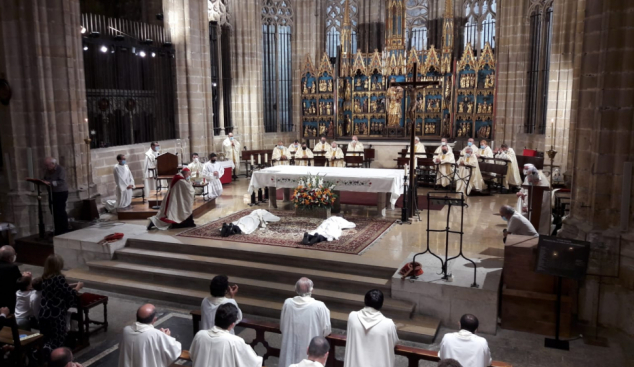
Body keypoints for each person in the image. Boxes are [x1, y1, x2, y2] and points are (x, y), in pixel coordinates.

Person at [39, 254, 83, 361]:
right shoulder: (59, 278)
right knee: (57, 339)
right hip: (56, 314)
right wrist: (78, 287)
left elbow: (57, 289)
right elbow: (70, 294)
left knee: (47, 338)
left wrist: (71, 285)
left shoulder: (44, 278)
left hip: (44, 313)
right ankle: (55, 360)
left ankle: (44, 356)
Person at [190, 303, 262, 367]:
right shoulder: (236, 342)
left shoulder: (199, 335)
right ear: (232, 325)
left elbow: (192, 355)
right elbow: (253, 363)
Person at [279, 278, 331, 367]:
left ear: (295, 289)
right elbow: (326, 330)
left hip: (290, 350)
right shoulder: (319, 306)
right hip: (312, 352)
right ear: (312, 290)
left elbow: (282, 327)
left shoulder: (288, 303)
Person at [343, 289, 399, 367]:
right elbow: (394, 342)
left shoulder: (353, 317)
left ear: (365, 301)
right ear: (381, 304)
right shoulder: (388, 324)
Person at [517, 165, 552, 235]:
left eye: (533, 182)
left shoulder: (544, 185)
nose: (531, 183)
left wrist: (527, 207)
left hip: (540, 210)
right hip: (529, 203)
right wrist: (521, 193)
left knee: (524, 215)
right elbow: (525, 188)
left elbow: (542, 202)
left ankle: (531, 232)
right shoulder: (529, 176)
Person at [43, 157, 69, 235]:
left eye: (48, 165)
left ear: (53, 164)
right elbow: (45, 178)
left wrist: (50, 183)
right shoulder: (48, 171)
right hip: (53, 192)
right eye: (46, 165)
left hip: (61, 192)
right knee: (55, 211)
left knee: (61, 211)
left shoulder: (60, 169)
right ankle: (57, 229)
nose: (47, 167)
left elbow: (61, 181)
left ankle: (64, 229)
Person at [0, 245, 27, 313]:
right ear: (10, 258)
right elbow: (20, 283)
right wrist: (26, 278)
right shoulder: (12, 268)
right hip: (9, 299)